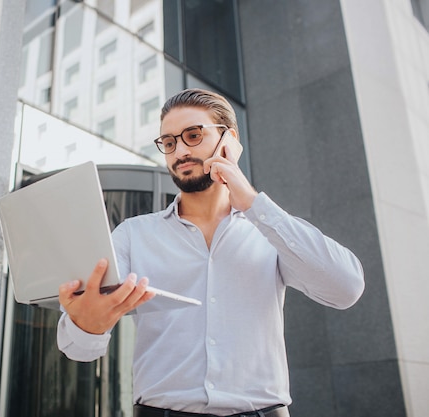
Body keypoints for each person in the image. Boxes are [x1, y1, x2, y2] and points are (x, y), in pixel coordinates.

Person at [57, 88, 365, 417]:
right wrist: (88, 324)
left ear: (228, 140)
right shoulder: (133, 234)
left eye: (193, 135)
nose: (180, 152)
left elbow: (346, 288)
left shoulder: (270, 230)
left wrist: (250, 201)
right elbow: (78, 349)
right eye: (170, 143)